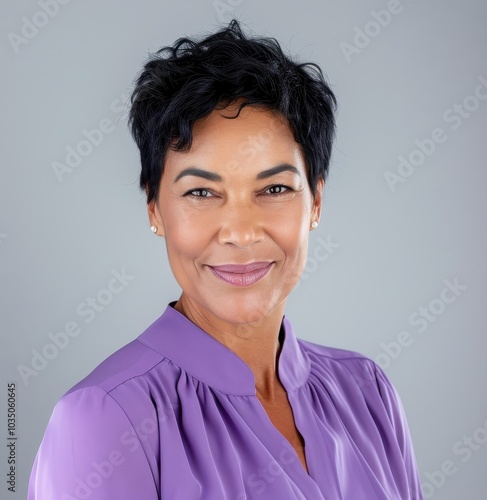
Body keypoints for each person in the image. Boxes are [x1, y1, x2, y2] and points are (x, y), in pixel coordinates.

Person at [28, 19, 423, 499]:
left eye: (274, 188)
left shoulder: (367, 393)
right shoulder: (106, 419)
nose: (240, 232)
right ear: (154, 207)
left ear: (316, 201)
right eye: (201, 192)